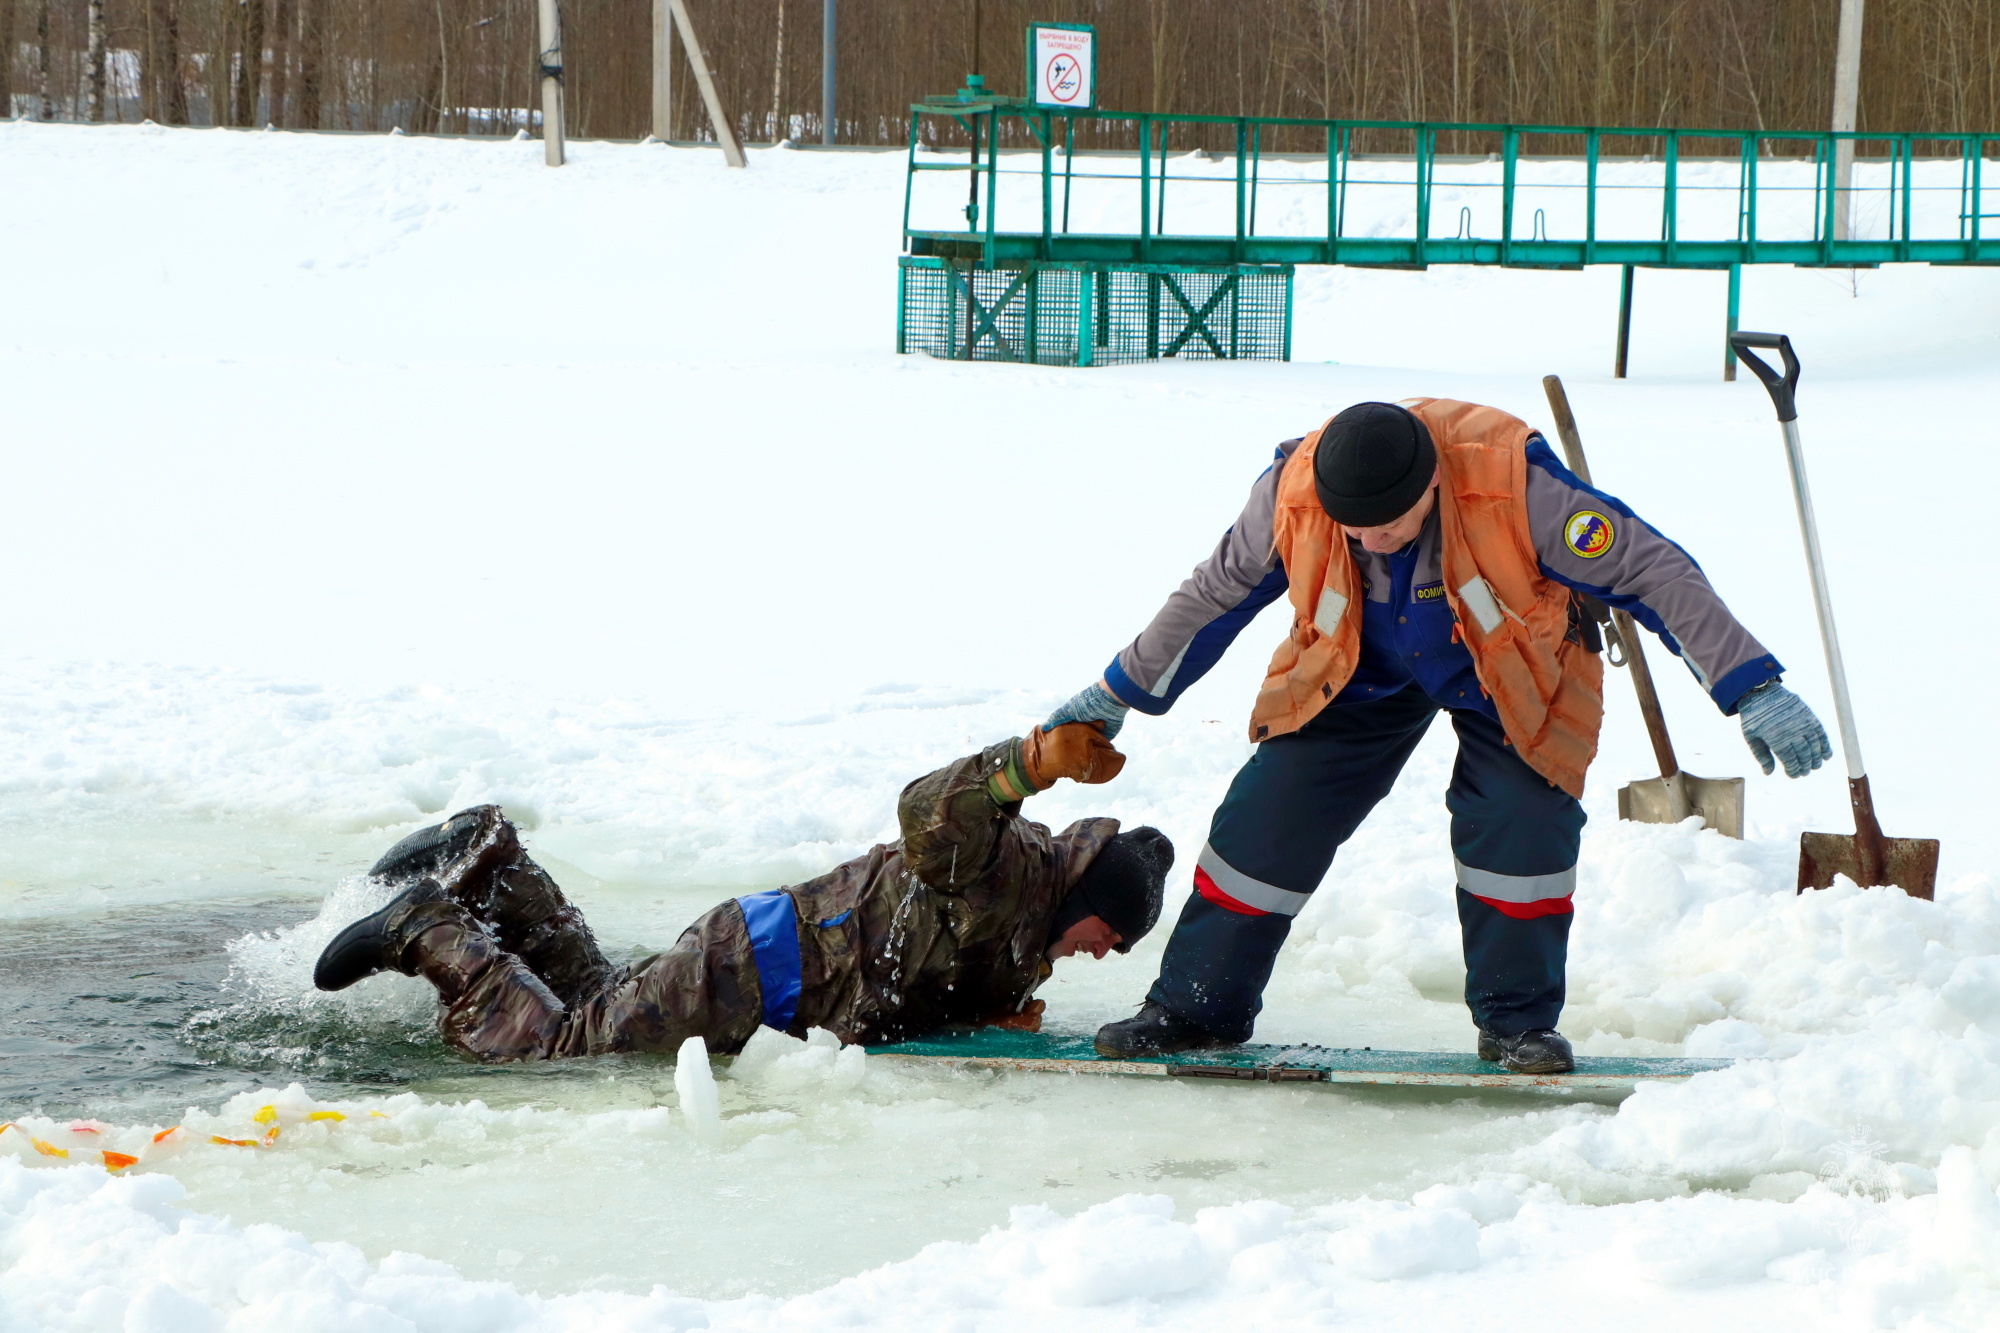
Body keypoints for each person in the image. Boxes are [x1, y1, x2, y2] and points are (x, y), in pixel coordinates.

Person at [1044, 398, 1831, 1073]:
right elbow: (1215, 593)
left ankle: (1517, 1021)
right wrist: (1117, 692)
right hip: (1352, 667)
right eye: (1353, 529)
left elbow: (1655, 572)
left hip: (1509, 674)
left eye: (1387, 525)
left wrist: (1752, 685)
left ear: (1429, 486)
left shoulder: (1517, 488)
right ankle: (1196, 1006)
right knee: (1264, 819)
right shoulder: (1292, 493)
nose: (1369, 541)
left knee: (1518, 829)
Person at [313, 724, 1172, 1061]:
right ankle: (426, 928)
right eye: (1114, 932)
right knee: (556, 1051)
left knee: (596, 995)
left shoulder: (1028, 934)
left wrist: (989, 1019)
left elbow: (913, 992)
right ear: (1089, 892)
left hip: (758, 962)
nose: (1108, 950)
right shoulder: (1004, 865)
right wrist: (1020, 767)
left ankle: (500, 870)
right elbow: (925, 813)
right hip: (752, 972)